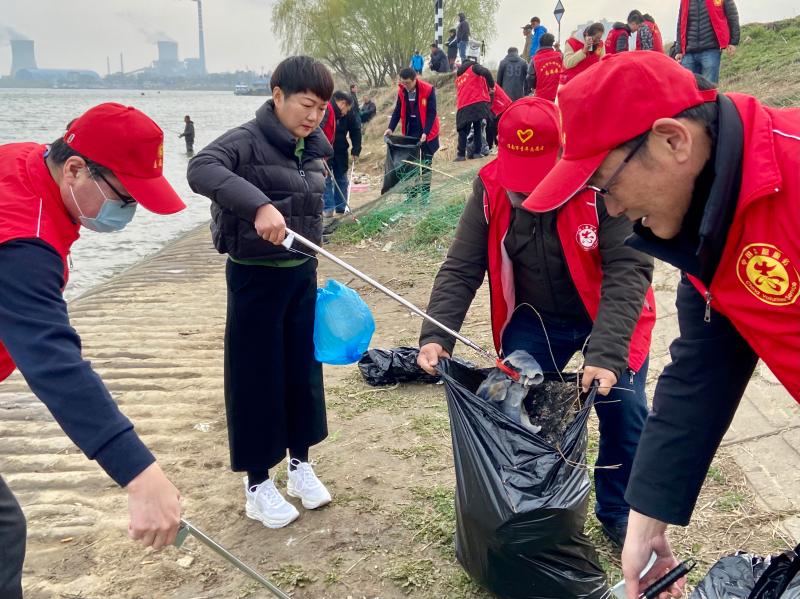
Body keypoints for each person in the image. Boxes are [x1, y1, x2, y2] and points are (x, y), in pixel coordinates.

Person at [520, 49, 800, 598]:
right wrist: (645, 520)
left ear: (674, 141)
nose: (614, 210)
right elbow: (703, 368)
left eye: (605, 185)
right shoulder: (705, 222)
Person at [418, 96, 656, 549]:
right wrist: (436, 335)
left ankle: (618, 511)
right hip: (537, 320)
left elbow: (629, 272)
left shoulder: (602, 187)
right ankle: (524, 503)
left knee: (624, 410)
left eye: (540, 181)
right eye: (520, 184)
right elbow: (461, 267)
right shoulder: (489, 189)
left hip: (605, 316)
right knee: (505, 402)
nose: (527, 196)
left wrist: (604, 355)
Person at [0, 102, 187, 598]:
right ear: (76, 168)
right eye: (124, 196)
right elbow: (55, 364)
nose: (127, 211)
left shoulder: (26, 161)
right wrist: (141, 475)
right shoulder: (24, 238)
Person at [187, 55, 335, 531]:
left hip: (301, 275)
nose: (313, 116)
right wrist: (258, 206)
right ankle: (257, 485)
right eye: (306, 105)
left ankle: (299, 466)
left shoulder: (313, 146)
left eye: (321, 108)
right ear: (277, 95)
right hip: (254, 279)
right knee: (257, 379)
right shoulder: (244, 141)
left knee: (302, 373)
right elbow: (201, 169)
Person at [384, 67, 441, 202]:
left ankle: (424, 197)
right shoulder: (402, 91)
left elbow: (432, 113)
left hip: (427, 131)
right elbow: (398, 111)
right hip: (411, 131)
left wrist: (425, 132)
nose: (406, 85)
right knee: (410, 165)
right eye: (403, 83)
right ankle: (412, 194)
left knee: (425, 165)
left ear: (415, 79)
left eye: (408, 82)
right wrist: (390, 128)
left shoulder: (428, 90)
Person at [675, 0, 740, 84]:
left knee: (709, 89)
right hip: (688, 53)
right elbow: (681, 23)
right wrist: (679, 50)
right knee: (689, 89)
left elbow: (732, 16)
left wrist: (733, 42)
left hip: (711, 50)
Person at [323, 90, 361, 217]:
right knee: (325, 179)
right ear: (343, 103)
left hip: (340, 150)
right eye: (347, 109)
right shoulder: (325, 109)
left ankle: (341, 207)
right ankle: (328, 208)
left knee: (342, 179)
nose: (346, 112)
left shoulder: (348, 114)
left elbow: (356, 130)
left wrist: (356, 149)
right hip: (324, 151)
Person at [454, 47, 494, 161]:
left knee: (462, 130)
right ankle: (477, 152)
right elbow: (486, 72)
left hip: (462, 106)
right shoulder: (473, 67)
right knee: (477, 126)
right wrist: (491, 86)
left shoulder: (459, 77)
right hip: (477, 103)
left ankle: (460, 155)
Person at [561, 23, 605, 88]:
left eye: (599, 38)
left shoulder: (600, 44)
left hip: (589, 83)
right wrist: (583, 51)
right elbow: (567, 64)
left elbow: (602, 62)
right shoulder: (572, 42)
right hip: (571, 84)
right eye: (595, 39)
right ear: (587, 35)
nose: (597, 41)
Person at [530, 32, 563, 102]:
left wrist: (533, 87)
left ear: (540, 44)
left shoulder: (534, 59)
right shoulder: (559, 55)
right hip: (558, 95)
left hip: (542, 97)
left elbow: (530, 77)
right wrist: (558, 50)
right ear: (552, 43)